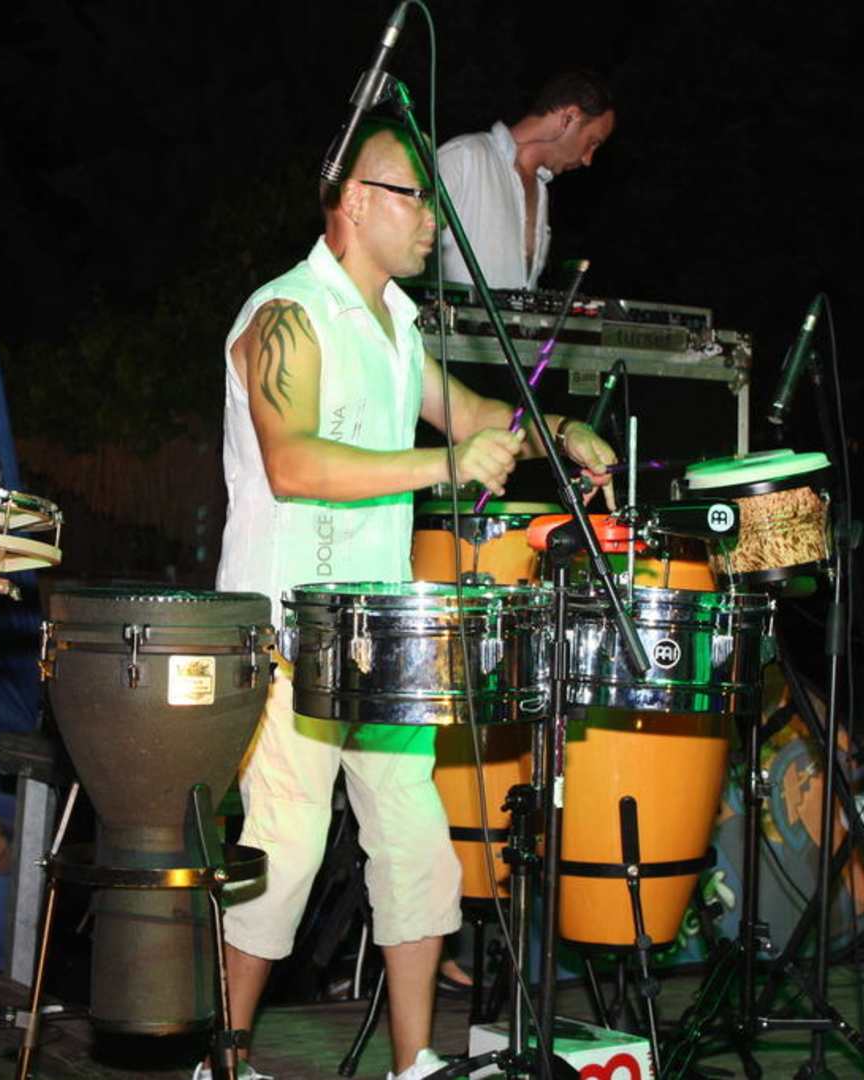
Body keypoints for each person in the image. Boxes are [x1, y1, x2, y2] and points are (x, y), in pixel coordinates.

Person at [207, 117, 616, 1080]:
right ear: (354, 202)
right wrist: (444, 463)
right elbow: (294, 462)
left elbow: (472, 412)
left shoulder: (396, 321)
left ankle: (414, 1065)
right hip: (288, 635)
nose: (433, 218)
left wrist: (558, 429)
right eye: (414, 197)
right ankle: (222, 1064)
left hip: (382, 640)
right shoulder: (285, 315)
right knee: (285, 852)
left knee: (419, 852)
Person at [435, 69, 616, 291]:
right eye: (592, 142)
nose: (588, 159)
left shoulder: (541, 191)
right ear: (569, 118)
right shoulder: (463, 158)